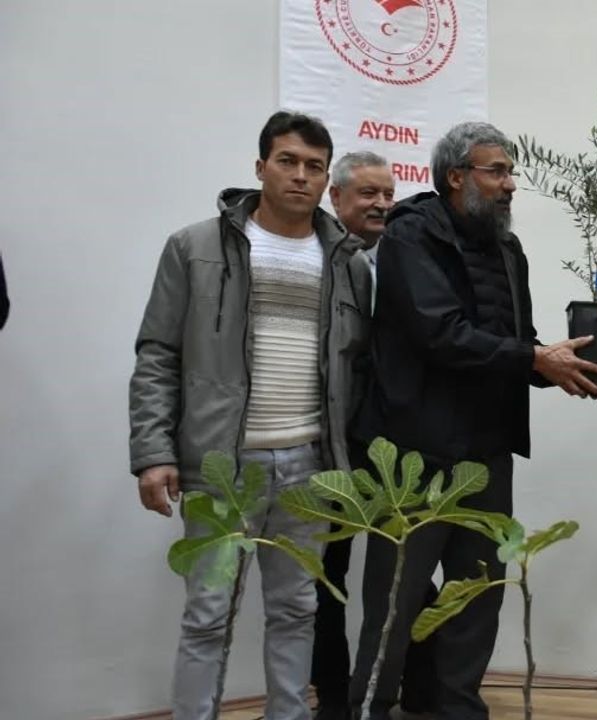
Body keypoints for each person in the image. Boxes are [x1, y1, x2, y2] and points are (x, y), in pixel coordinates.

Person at [347, 121, 597, 720]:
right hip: (416, 451)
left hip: (487, 453)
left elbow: (515, 342)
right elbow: (440, 333)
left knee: (478, 589)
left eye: (511, 172)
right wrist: (533, 358)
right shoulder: (409, 237)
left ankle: (456, 706)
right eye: (498, 172)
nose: (510, 184)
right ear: (456, 177)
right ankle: (371, 706)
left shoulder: (508, 250)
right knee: (396, 595)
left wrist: (561, 367)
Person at [128, 111, 372, 720]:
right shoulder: (194, 248)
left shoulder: (348, 263)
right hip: (221, 468)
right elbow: (158, 353)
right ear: (260, 166)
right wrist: (154, 452)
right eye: (287, 161)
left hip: (309, 468)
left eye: (314, 166)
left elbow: (356, 371)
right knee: (207, 615)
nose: (300, 176)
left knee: (297, 611)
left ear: (326, 180)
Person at [311, 150, 437, 720]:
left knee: (408, 572)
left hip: (389, 443)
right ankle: (336, 698)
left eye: (388, 193)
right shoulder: (317, 259)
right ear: (335, 197)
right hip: (329, 446)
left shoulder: (404, 256)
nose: (382, 204)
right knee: (328, 576)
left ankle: (422, 687)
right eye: (368, 193)